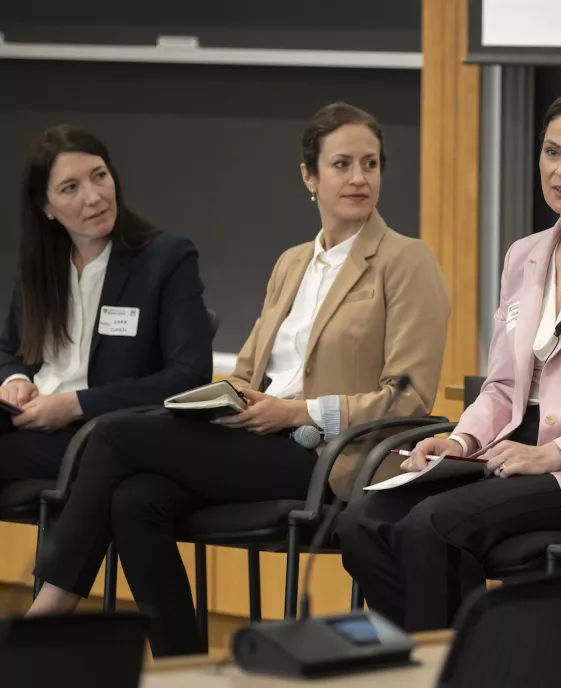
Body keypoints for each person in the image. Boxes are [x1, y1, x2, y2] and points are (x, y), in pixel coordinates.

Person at [27, 103, 451, 657]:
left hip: (324, 455)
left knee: (110, 436)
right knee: (135, 500)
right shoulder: (292, 263)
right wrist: (221, 401)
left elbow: (410, 396)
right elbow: (249, 372)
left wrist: (298, 412)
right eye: (341, 164)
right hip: (254, 435)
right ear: (309, 176)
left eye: (370, 164)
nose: (358, 178)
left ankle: (47, 614)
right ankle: (183, 664)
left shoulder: (406, 259)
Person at [338, 88, 561, 632]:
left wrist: (552, 454)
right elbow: (502, 386)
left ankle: (467, 668)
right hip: (504, 447)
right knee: (363, 521)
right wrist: (459, 441)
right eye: (552, 152)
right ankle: (427, 659)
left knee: (430, 528)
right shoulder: (525, 253)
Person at [0, 124, 212, 497]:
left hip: (99, 433)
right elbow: (9, 351)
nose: (95, 197)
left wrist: (75, 405)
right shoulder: (40, 267)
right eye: (71, 188)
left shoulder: (164, 259)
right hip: (28, 423)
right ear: (45, 207)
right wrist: (15, 381)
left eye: (100, 176)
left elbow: (188, 378)